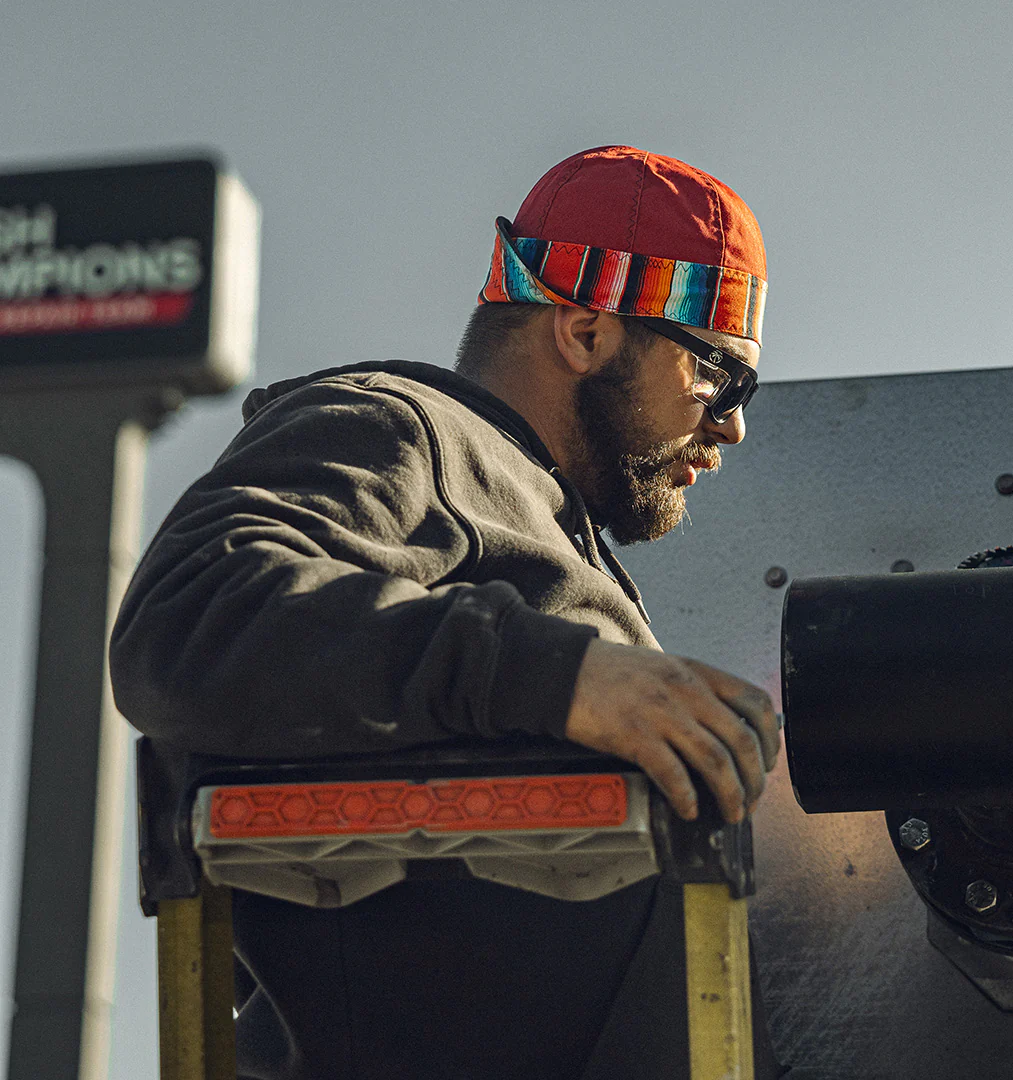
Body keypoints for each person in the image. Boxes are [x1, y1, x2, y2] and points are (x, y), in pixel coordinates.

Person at [110, 144, 785, 1079]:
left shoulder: (543, 518)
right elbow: (188, 621)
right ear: (586, 331)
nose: (733, 424)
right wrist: (568, 677)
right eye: (721, 375)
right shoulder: (407, 429)